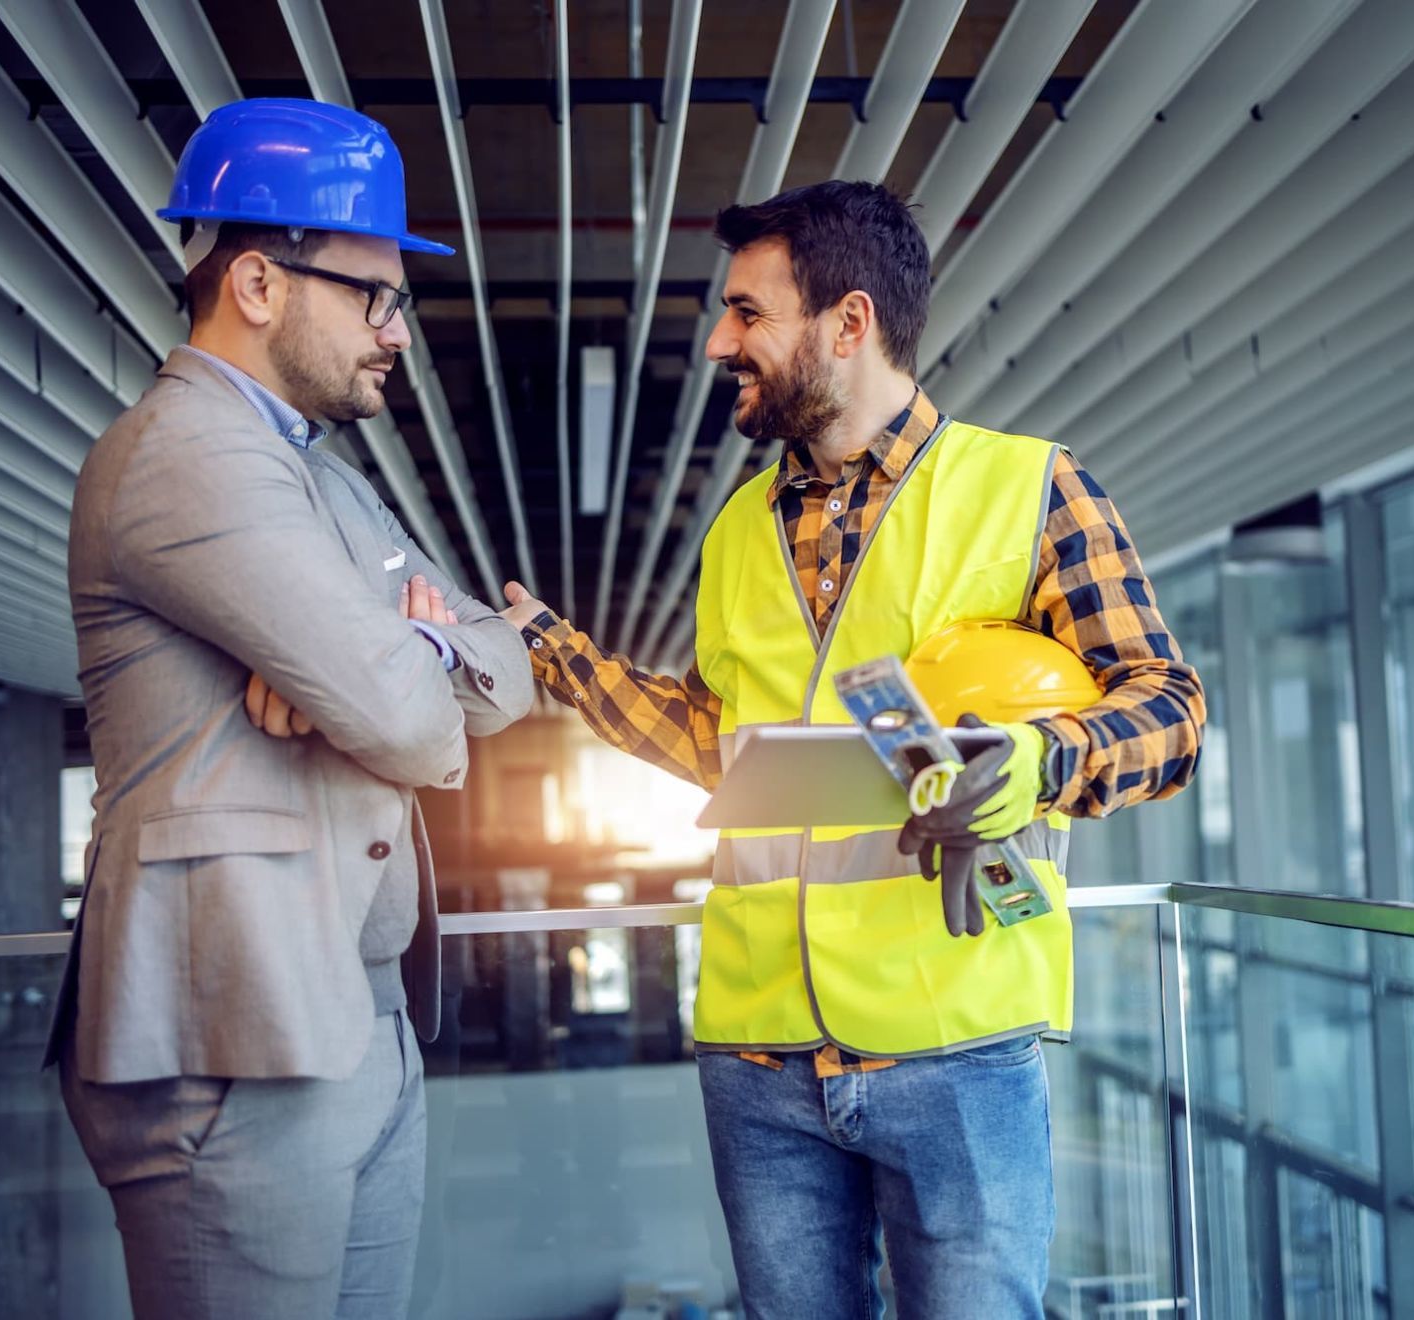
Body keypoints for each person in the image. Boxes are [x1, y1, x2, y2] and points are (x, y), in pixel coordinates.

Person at [499, 181, 1206, 1318]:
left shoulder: (1027, 487)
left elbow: (1170, 709)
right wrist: (557, 653)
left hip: (956, 1050)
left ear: (849, 323)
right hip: (758, 1053)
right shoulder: (735, 529)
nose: (722, 342)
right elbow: (722, 740)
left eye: (747, 313)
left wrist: (1038, 760)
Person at [45, 98, 532, 1319]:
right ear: (258, 284)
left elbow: (505, 677)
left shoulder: (319, 474)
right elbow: (421, 726)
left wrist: (393, 650)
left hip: (349, 1010)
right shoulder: (184, 453)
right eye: (372, 295)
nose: (395, 334)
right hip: (234, 1038)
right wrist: (392, 669)